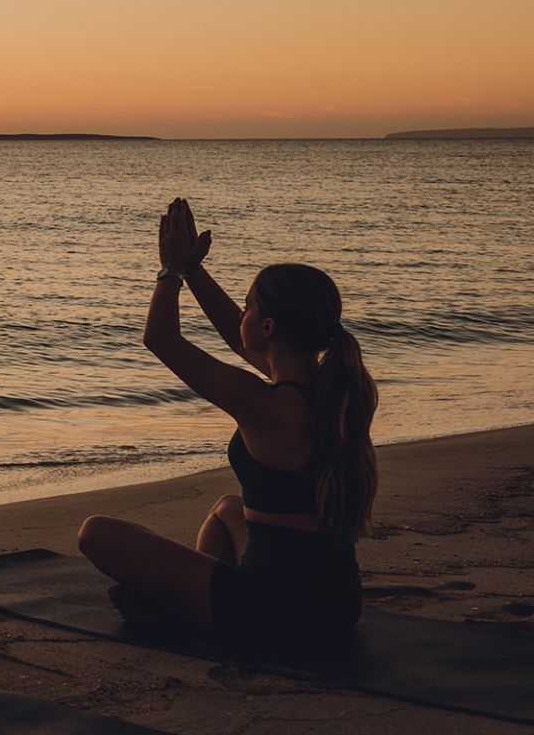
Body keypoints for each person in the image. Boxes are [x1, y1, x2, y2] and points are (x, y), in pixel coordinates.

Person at [76, 198, 378, 642]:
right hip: (335, 602)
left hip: (278, 610)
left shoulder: (270, 406)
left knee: (94, 533)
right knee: (226, 510)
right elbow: (238, 338)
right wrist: (195, 270)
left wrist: (170, 272)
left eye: (249, 307)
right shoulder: (331, 386)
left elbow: (160, 339)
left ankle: (193, 611)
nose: (242, 314)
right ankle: (195, 604)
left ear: (269, 327)